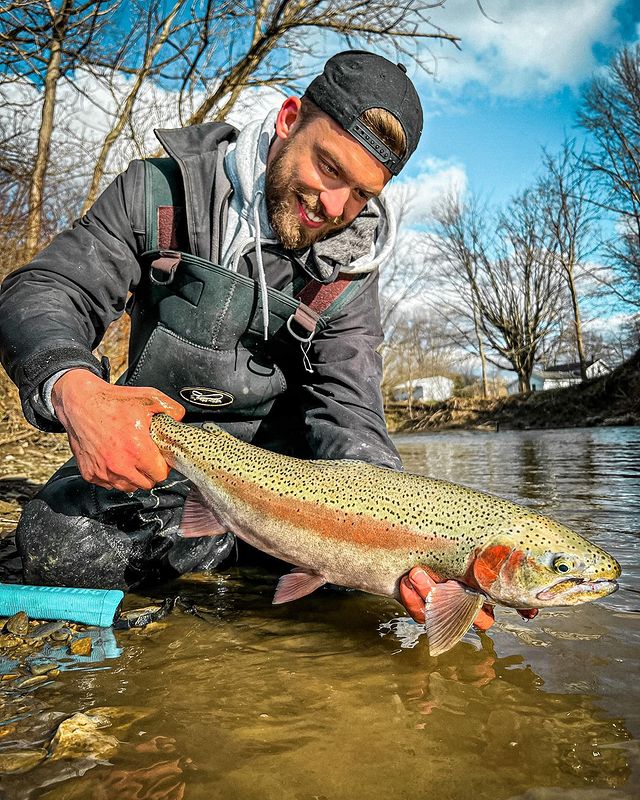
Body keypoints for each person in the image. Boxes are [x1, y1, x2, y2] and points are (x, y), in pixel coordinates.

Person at [0, 50, 494, 631]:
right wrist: (74, 389)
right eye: (330, 168)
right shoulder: (158, 193)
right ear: (289, 119)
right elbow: (45, 289)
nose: (334, 208)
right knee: (57, 550)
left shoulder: (351, 271)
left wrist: (397, 540)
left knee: (367, 609)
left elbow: (350, 409)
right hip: (159, 465)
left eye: (362, 194)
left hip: (291, 495)